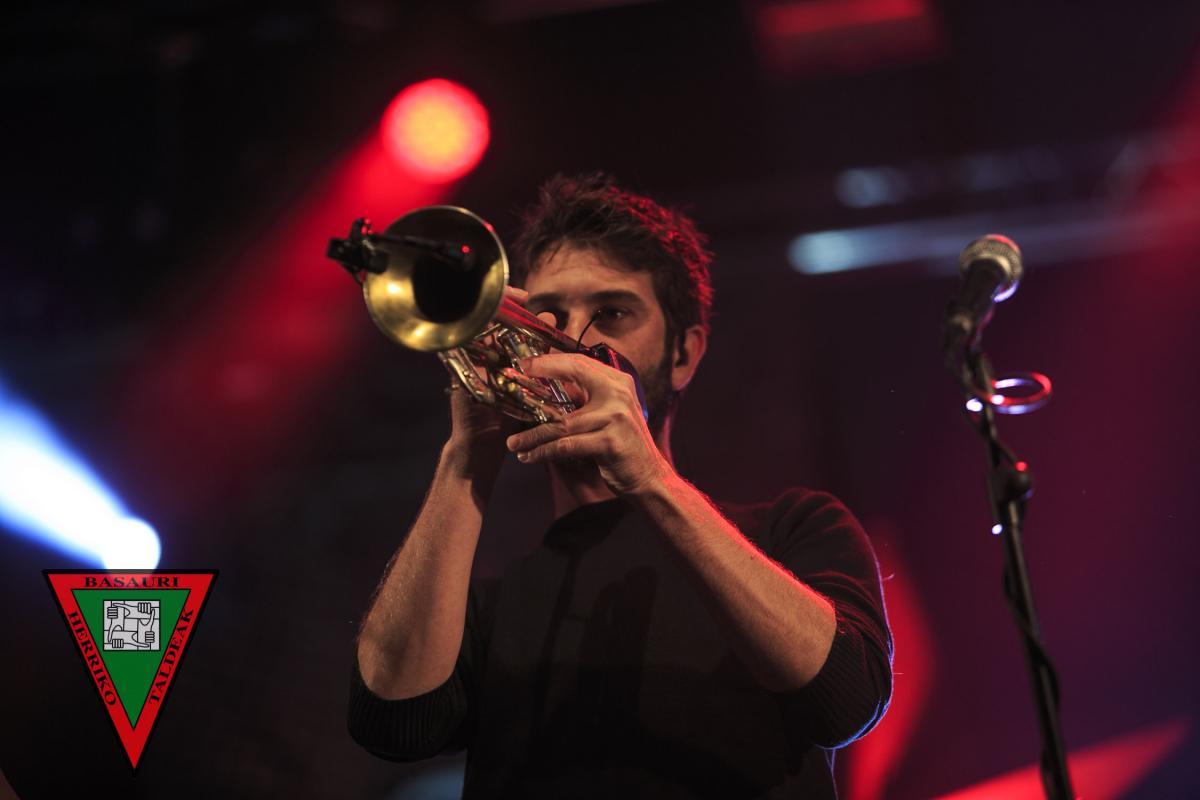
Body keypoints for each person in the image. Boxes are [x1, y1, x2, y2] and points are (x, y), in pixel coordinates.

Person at [348, 173, 893, 799]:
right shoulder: (488, 602)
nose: (574, 337)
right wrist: (467, 455)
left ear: (684, 355)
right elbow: (392, 724)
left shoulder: (794, 529)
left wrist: (649, 478)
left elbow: (845, 701)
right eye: (549, 313)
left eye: (611, 313)